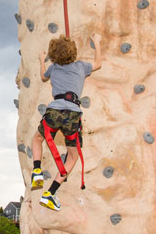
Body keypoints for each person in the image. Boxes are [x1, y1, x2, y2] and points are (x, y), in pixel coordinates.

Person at [30, 33, 102, 211]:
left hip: (54, 111)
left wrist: (41, 60)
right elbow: (98, 64)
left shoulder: (53, 68)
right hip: (72, 114)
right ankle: (50, 193)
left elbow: (42, 77)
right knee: (73, 156)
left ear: (54, 55)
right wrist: (97, 43)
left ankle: (36, 171)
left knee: (37, 139)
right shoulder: (81, 66)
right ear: (73, 52)